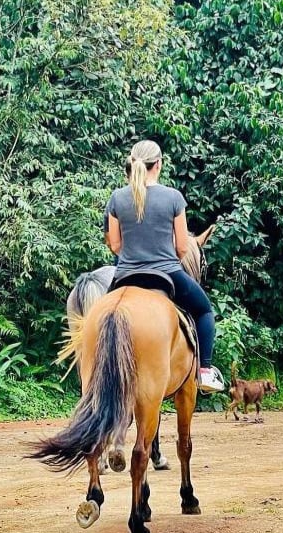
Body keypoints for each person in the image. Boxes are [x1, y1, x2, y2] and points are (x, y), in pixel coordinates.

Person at [105, 140, 224, 392]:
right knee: (204, 311)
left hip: (125, 275)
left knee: (102, 317)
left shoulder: (117, 198)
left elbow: (115, 245)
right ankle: (205, 371)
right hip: (167, 273)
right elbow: (182, 247)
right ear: (158, 165)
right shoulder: (173, 198)